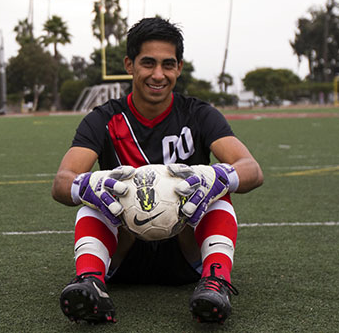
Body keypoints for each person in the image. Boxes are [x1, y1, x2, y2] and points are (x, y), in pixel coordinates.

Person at [51, 17, 263, 324]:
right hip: (122, 253)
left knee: (219, 191)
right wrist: (84, 186)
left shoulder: (199, 114)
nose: (158, 74)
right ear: (130, 65)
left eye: (168, 64)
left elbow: (251, 170)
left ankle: (216, 282)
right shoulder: (104, 119)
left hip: (186, 250)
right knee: (91, 196)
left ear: (178, 67)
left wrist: (219, 177)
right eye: (148, 63)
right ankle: (90, 281)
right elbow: (62, 182)